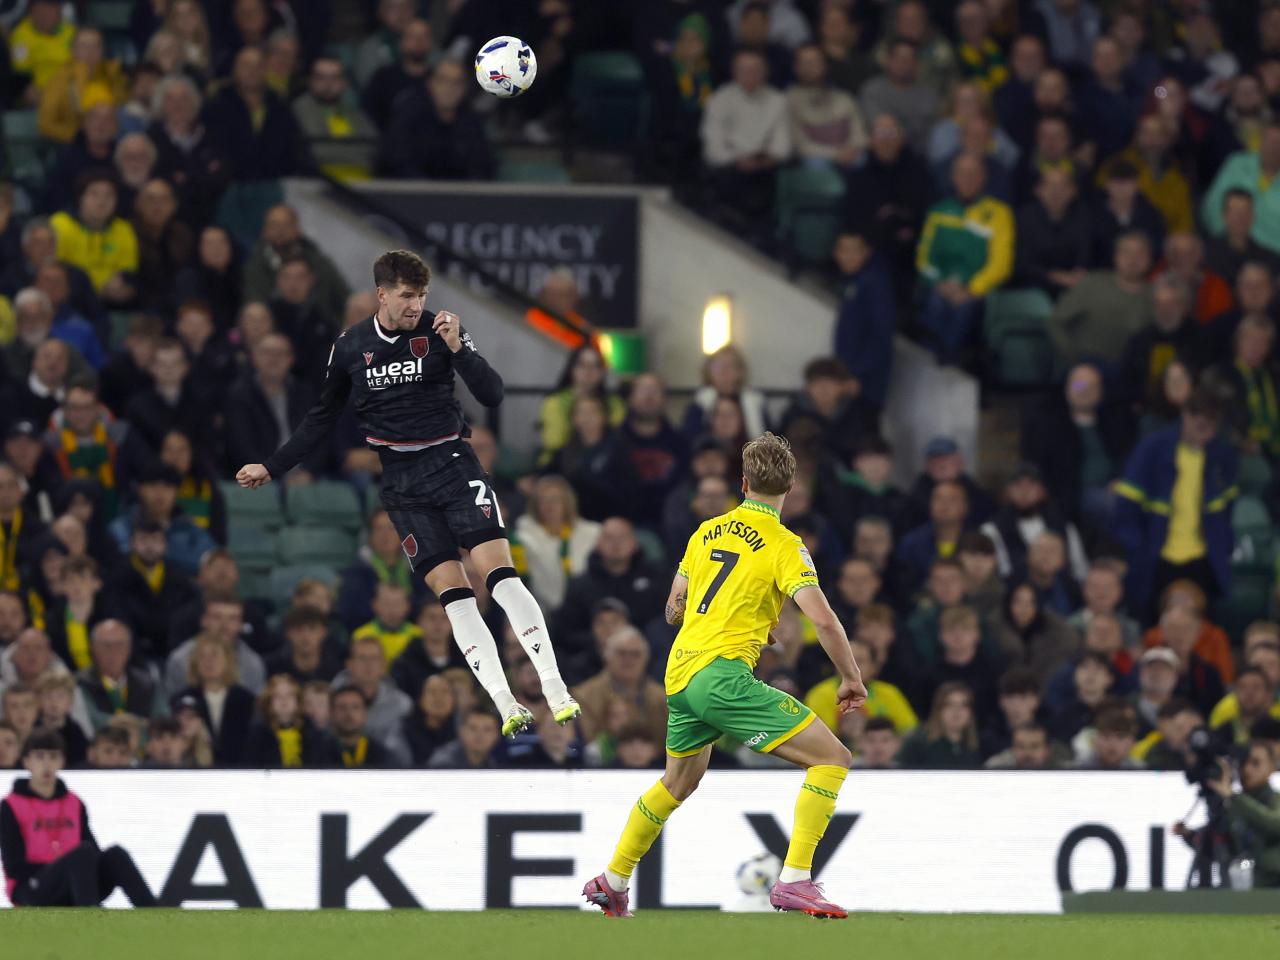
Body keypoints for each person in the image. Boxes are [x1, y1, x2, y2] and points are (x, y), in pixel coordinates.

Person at [583, 433, 867, 920]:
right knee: (831, 758)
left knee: (677, 783)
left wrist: (742, 621)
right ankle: (795, 881)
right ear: (791, 486)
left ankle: (612, 880)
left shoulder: (707, 531)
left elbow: (674, 610)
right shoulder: (785, 546)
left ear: (743, 482)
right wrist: (851, 678)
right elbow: (822, 619)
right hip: (720, 678)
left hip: (680, 674)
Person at [1113, 388, 1238, 618]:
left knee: (1201, 631)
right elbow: (1126, 507)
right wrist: (1137, 547)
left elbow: (1227, 509)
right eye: (1199, 424)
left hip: (1202, 560)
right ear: (1185, 416)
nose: (1204, 432)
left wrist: (1225, 545)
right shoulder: (1152, 449)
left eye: (1210, 427)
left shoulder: (1221, 455)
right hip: (1157, 557)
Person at [0, 729, 156, 907]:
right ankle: (90, 918)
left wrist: (72, 867)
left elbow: (92, 849)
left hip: (74, 884)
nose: (46, 764)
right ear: (27, 761)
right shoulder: (11, 804)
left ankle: (158, 918)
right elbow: (13, 866)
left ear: (62, 761)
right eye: (40, 757)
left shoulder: (73, 802)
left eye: (53, 757)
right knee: (81, 854)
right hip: (32, 887)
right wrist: (62, 866)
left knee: (115, 855)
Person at [915, 152, 1015, 365]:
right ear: (953, 177)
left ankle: (949, 366)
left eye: (973, 174)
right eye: (962, 173)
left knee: (962, 308)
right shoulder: (939, 212)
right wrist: (939, 283)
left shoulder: (1000, 214)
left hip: (975, 290)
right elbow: (924, 258)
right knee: (935, 303)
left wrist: (972, 289)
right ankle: (928, 362)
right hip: (940, 286)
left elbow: (1000, 264)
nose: (967, 179)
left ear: (983, 178)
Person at [381, 59, 495, 181]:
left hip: (460, 196)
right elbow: (398, 164)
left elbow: (483, 168)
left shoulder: (472, 124)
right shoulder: (407, 119)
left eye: (457, 83)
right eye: (443, 81)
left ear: (465, 89)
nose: (449, 88)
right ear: (430, 84)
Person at [1197, 741, 1280, 887]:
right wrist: (1190, 835)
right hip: (1240, 884)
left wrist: (1233, 797)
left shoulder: (1275, 799)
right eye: (1242, 764)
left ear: (1272, 767)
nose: (1247, 770)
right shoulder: (1233, 804)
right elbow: (1220, 845)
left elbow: (1274, 823)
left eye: (1256, 763)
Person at [242, 674, 339, 769]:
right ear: (268, 702)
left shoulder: (312, 732)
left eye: (289, 695)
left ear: (298, 701)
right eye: (277, 696)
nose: (284, 701)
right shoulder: (257, 735)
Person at [897, 682, 983, 770]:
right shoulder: (918, 744)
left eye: (963, 705)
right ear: (938, 710)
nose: (957, 710)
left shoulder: (974, 747)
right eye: (949, 705)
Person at [330, 685, 399, 769]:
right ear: (331, 713)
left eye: (355, 707)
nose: (348, 714)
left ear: (365, 713)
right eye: (342, 707)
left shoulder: (382, 756)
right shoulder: (316, 751)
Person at [427, 705, 501, 769]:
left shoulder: (492, 763)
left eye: (487, 730)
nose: (479, 735)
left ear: (496, 735)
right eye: (473, 728)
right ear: (461, 731)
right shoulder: (443, 763)